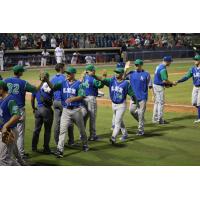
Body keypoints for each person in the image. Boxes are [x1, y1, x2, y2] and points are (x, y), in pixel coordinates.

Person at [45, 66, 89, 158]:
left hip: (76, 110)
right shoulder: (62, 83)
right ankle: (60, 150)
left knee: (81, 129)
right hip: (66, 110)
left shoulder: (78, 84)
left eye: (69, 73)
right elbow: (52, 87)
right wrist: (46, 80)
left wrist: (73, 98)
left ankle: (85, 144)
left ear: (73, 74)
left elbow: (82, 96)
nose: (67, 75)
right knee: (62, 131)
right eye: (66, 73)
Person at [4, 65, 44, 159]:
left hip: (7, 109)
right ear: (20, 73)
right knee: (20, 133)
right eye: (22, 71)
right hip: (18, 110)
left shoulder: (5, 81)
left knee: (6, 131)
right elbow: (35, 90)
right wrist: (42, 81)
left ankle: (6, 153)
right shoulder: (23, 82)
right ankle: (20, 154)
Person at [94, 68, 137, 144]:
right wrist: (94, 75)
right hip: (113, 104)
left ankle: (113, 138)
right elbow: (103, 80)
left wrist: (136, 102)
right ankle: (125, 134)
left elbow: (132, 94)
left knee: (116, 122)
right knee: (119, 120)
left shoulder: (126, 84)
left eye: (118, 72)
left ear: (121, 74)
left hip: (121, 105)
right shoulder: (112, 81)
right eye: (115, 72)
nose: (116, 73)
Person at [125, 59, 154, 135]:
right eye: (135, 65)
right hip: (133, 97)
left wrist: (153, 95)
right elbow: (122, 77)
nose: (136, 66)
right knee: (131, 111)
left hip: (142, 97)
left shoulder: (146, 74)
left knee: (141, 113)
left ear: (141, 65)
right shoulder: (131, 73)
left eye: (138, 65)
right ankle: (141, 121)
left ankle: (141, 129)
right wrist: (126, 68)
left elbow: (150, 85)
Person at [0, 80, 24, 166]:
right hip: (4, 132)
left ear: (1, 89)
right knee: (9, 157)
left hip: (9, 132)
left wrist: (6, 125)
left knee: (3, 159)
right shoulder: (2, 100)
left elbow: (17, 115)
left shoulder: (10, 99)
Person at [50, 63, 74, 145]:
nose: (65, 69)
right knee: (70, 121)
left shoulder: (52, 78)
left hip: (55, 102)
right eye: (64, 67)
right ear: (61, 68)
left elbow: (51, 89)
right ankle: (71, 141)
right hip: (63, 102)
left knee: (56, 123)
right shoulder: (64, 78)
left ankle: (57, 142)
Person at [31, 72, 53, 154]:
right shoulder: (49, 87)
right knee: (47, 130)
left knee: (36, 130)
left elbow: (32, 99)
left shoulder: (36, 87)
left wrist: (33, 108)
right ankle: (46, 148)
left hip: (38, 109)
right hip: (47, 110)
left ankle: (34, 147)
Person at [175, 55, 200, 123]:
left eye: (196, 60)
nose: (195, 61)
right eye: (194, 59)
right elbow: (186, 77)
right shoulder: (192, 69)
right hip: (195, 87)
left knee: (199, 103)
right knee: (194, 103)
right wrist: (178, 81)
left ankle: (199, 118)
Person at [81, 65, 103, 141]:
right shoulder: (92, 79)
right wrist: (103, 77)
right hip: (91, 99)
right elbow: (101, 84)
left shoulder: (84, 77)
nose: (94, 71)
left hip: (83, 98)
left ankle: (82, 135)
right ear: (88, 71)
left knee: (84, 117)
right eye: (93, 70)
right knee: (92, 117)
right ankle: (93, 135)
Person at [152, 56, 176, 124]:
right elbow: (165, 80)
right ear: (167, 61)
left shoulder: (158, 66)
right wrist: (172, 83)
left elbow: (160, 78)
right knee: (161, 103)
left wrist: (167, 84)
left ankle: (155, 119)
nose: (170, 63)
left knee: (156, 103)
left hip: (155, 85)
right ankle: (160, 120)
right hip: (159, 87)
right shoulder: (163, 69)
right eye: (170, 61)